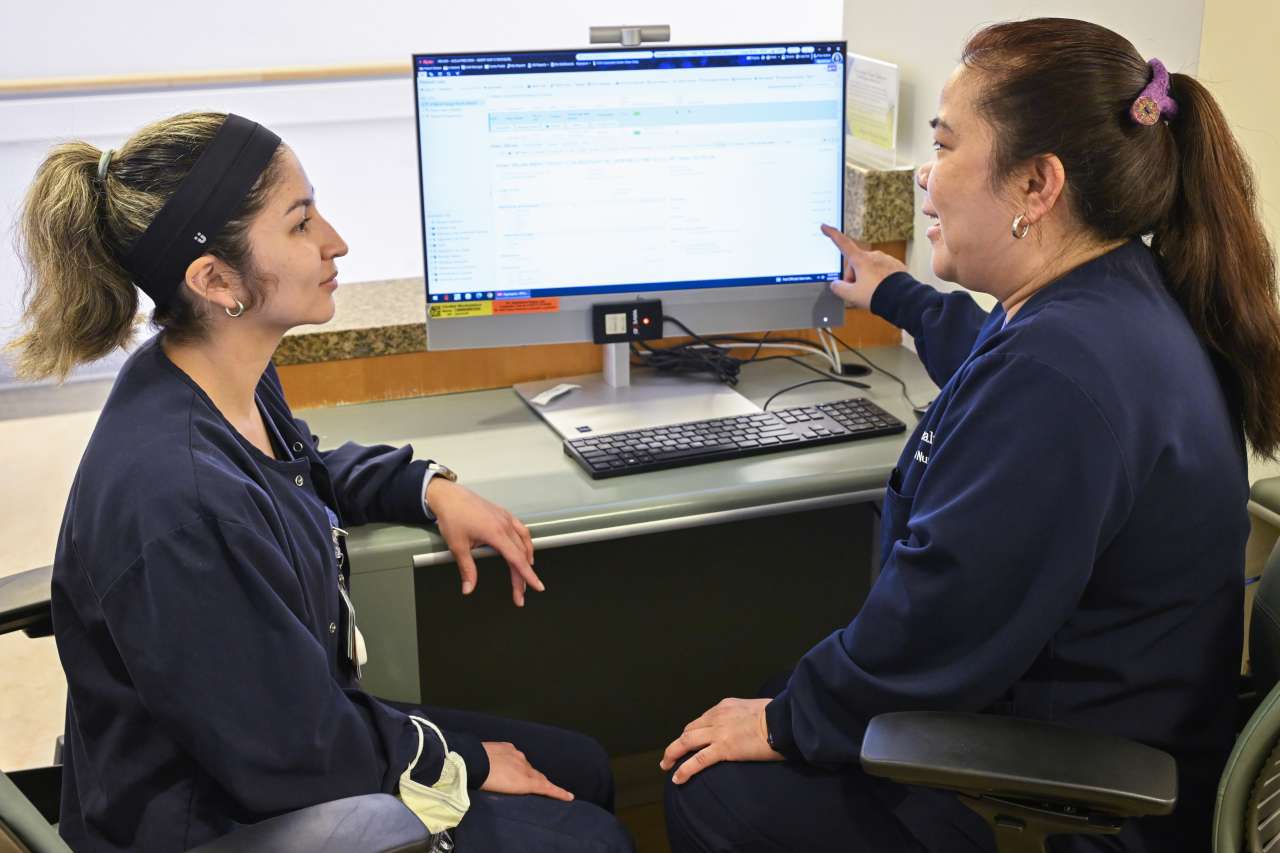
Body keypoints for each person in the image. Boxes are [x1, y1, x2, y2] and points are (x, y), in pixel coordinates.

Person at [660, 17, 1280, 853]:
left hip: (1071, 796)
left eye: (946, 145)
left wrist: (790, 718)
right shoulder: (1111, 293)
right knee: (778, 703)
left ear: (1036, 186)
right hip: (1101, 723)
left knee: (713, 789)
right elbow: (998, 359)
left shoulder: (1060, 374)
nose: (926, 174)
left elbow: (942, 612)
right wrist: (899, 296)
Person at [8, 111, 633, 853]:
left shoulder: (211, 377)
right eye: (301, 223)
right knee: (587, 836)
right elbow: (292, 759)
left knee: (583, 767)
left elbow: (300, 471)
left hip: (284, 726)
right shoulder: (180, 500)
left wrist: (426, 487)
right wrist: (456, 760)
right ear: (216, 280)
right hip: (216, 817)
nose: (336, 241)